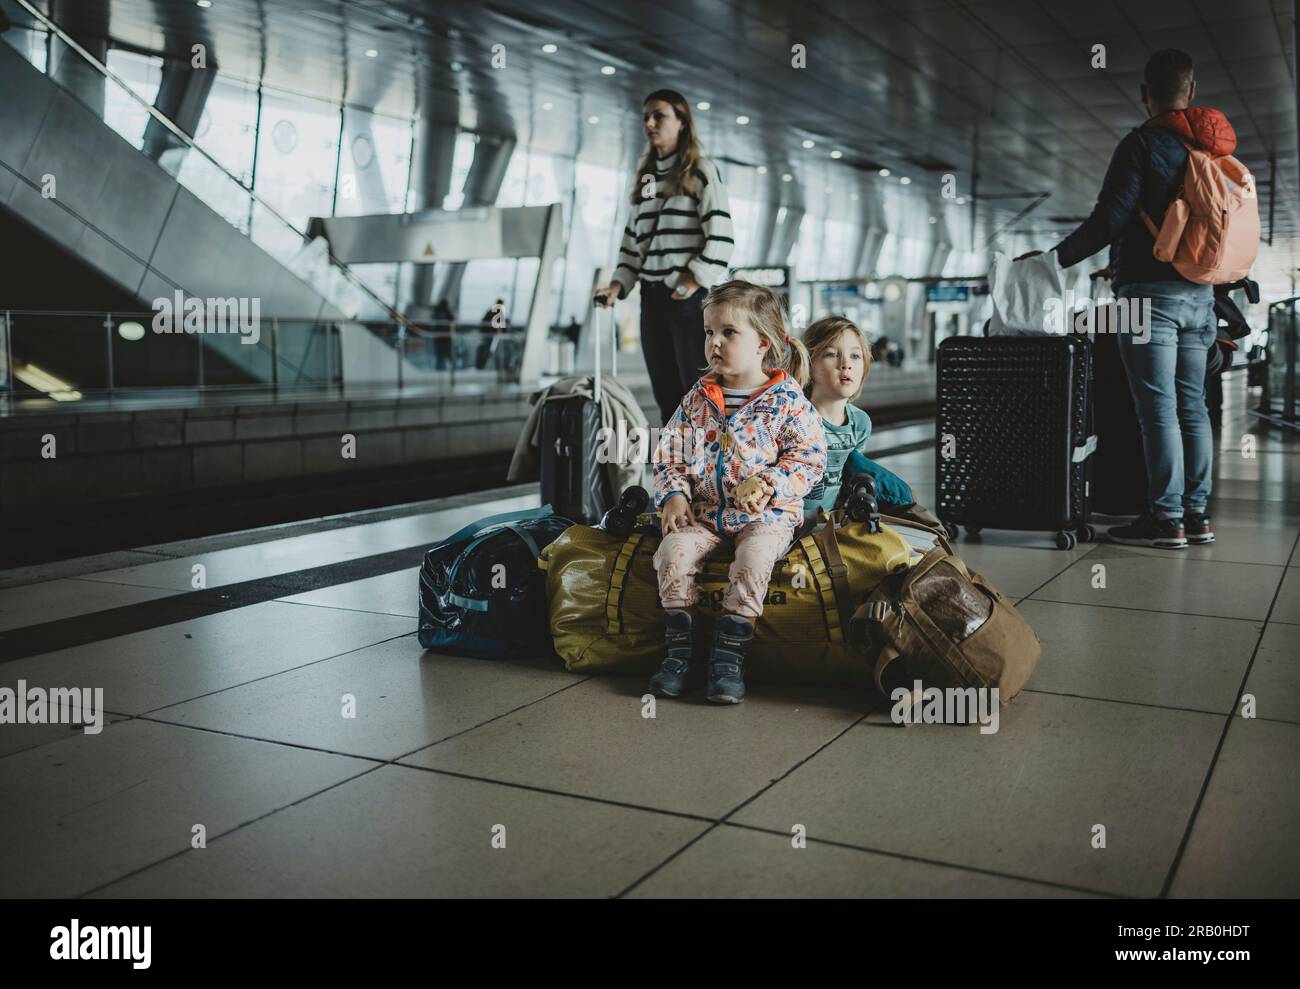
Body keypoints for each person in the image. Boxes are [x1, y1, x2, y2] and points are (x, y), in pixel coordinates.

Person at [1039, 49, 1231, 549]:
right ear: (1190, 93)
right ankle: (1196, 515)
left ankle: (1166, 519)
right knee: (1193, 406)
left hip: (1148, 301)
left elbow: (1109, 220)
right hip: (1200, 297)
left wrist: (1048, 260)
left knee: (1159, 409)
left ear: (1146, 94)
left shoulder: (1142, 144)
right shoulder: (1212, 150)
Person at [649, 280, 825, 704]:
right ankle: (680, 651)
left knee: (754, 558)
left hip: (768, 516)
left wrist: (768, 484)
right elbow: (670, 452)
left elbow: (809, 460)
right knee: (671, 553)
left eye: (729, 332)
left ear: (763, 343)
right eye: (709, 332)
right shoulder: (697, 399)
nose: (715, 342)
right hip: (707, 512)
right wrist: (673, 495)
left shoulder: (788, 402)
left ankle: (729, 657)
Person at [593, 89, 734, 425]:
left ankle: (709, 470)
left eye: (659, 116)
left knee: (698, 390)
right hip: (651, 299)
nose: (650, 123)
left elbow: (721, 236)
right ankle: (676, 470)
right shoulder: (647, 180)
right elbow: (633, 242)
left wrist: (691, 280)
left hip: (688, 300)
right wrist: (618, 285)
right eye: (646, 117)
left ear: (682, 122)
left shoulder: (700, 171)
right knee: (666, 393)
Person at [799, 316, 914, 515]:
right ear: (808, 363)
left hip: (830, 522)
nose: (845, 364)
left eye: (855, 356)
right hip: (786, 521)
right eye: (831, 354)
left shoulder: (860, 423)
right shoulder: (794, 416)